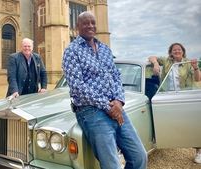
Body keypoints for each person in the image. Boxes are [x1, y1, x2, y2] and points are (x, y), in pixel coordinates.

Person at [62, 11, 147, 169]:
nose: (90, 26)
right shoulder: (71, 51)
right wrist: (107, 106)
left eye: (93, 22)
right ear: (77, 26)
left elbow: (115, 76)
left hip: (115, 108)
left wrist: (119, 102)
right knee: (111, 165)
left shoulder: (105, 49)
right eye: (86, 23)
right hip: (91, 111)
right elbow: (77, 87)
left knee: (139, 156)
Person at [148, 43, 201, 164]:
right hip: (167, 94)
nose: (177, 51)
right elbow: (151, 57)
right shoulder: (166, 61)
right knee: (170, 121)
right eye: (174, 50)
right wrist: (156, 63)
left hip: (184, 94)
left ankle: (199, 151)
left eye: (179, 49)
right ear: (171, 52)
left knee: (192, 122)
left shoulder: (188, 63)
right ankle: (167, 141)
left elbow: (198, 79)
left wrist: (196, 68)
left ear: (183, 51)